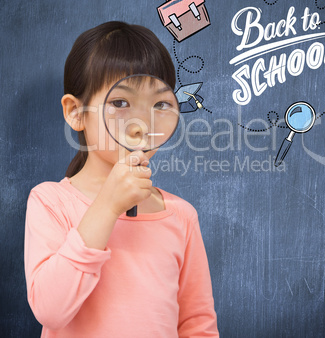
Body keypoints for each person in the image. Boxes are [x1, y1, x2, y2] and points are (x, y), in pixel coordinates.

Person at [24, 21, 219, 337]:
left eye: (159, 104)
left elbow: (197, 324)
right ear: (76, 112)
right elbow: (50, 310)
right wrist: (107, 206)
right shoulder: (50, 202)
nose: (141, 122)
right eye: (119, 103)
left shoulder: (182, 216)